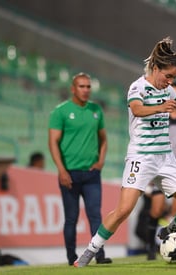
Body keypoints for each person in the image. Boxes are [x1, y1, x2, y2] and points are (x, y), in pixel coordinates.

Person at [74, 37, 176, 267]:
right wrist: (160, 107)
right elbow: (137, 109)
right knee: (123, 210)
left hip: (166, 158)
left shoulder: (168, 90)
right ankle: (90, 252)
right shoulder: (137, 87)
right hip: (141, 158)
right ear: (155, 68)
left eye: (174, 78)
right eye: (167, 76)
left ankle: (168, 231)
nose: (169, 81)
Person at [48, 72, 112, 266]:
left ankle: (99, 256)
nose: (85, 90)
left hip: (92, 173)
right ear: (73, 89)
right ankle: (71, 258)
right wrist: (61, 170)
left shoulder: (96, 110)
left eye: (88, 86)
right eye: (81, 86)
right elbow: (53, 142)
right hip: (70, 174)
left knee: (95, 215)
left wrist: (100, 161)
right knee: (71, 218)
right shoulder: (61, 112)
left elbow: (103, 139)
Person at [135, 80, 176, 260]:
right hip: (159, 162)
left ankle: (172, 243)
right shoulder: (160, 114)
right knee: (156, 210)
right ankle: (150, 246)